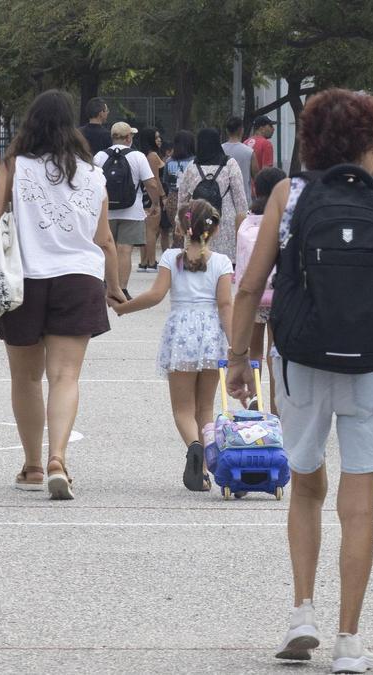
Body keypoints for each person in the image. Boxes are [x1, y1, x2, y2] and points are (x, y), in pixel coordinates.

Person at [226, 89, 373, 670]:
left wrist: (238, 359)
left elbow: (250, 286)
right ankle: (349, 640)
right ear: (371, 144)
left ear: (310, 142)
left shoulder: (288, 195)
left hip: (303, 361)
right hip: (370, 368)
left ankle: (301, 613)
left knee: (306, 486)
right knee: (358, 504)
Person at [0, 90, 124, 499]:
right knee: (65, 376)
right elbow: (105, 240)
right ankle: (59, 458)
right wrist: (114, 288)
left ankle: (32, 467)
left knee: (26, 377)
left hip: (25, 279)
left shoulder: (14, 166)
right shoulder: (93, 174)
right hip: (79, 279)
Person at [112, 199, 232, 491]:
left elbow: (155, 295)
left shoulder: (170, 258)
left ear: (180, 227)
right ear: (215, 229)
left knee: (182, 409)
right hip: (211, 336)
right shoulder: (222, 262)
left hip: (181, 336)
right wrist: (236, 346)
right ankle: (204, 468)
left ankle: (194, 447)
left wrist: (124, 307)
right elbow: (225, 305)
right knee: (206, 408)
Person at [235, 167, 286, 414]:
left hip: (254, 294)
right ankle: (276, 408)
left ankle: (255, 399)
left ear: (256, 188)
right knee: (274, 353)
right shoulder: (283, 218)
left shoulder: (246, 220)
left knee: (254, 350)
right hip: (277, 294)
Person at [93, 121, 163, 299]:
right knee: (125, 249)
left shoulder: (99, 156)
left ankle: (106, 285)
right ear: (128, 138)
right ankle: (121, 289)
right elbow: (151, 183)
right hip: (132, 210)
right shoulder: (138, 156)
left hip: (105, 211)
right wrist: (155, 204)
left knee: (106, 248)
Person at [177, 129, 248, 262]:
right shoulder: (230, 164)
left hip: (196, 219)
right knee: (223, 261)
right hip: (224, 220)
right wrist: (244, 224)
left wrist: (179, 221)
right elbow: (240, 199)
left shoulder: (192, 166)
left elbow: (182, 197)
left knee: (198, 259)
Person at [133, 127, 166, 273]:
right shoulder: (152, 156)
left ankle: (144, 261)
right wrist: (162, 197)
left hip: (145, 194)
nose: (159, 140)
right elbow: (155, 179)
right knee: (152, 230)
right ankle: (151, 262)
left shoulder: (142, 155)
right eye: (156, 137)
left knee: (146, 229)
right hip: (152, 195)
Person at [162, 130, 196, 249]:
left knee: (177, 229)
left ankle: (176, 252)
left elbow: (166, 181)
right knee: (189, 229)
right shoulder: (194, 161)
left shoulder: (169, 161)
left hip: (172, 198)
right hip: (189, 199)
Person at [222, 116, 260, 200]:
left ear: (227, 131)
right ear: (241, 130)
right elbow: (257, 177)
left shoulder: (219, 150)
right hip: (244, 198)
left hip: (223, 199)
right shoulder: (249, 152)